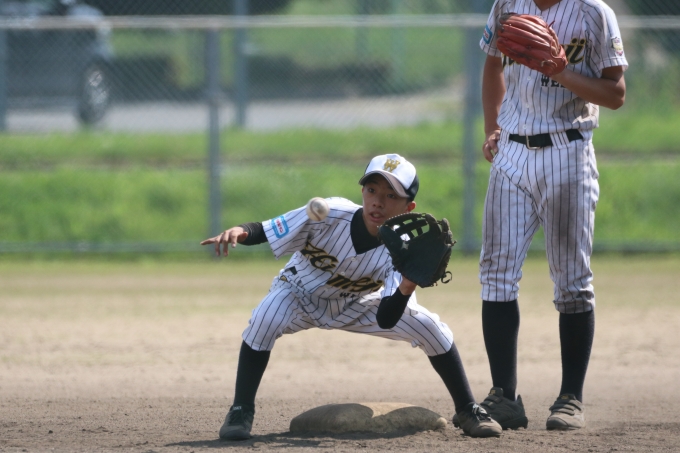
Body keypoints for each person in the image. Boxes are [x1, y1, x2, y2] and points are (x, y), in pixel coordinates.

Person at [200, 154, 502, 439]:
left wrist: (408, 285)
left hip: (359, 304)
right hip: (299, 293)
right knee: (265, 317)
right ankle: (241, 409)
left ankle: (467, 409)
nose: (378, 202)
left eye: (391, 195)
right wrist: (240, 231)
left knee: (431, 328)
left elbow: (386, 318)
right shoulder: (327, 212)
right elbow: (269, 229)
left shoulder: (403, 248)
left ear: (409, 207)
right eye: (372, 190)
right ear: (362, 192)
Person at [476, 0, 627, 431]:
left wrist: (560, 70)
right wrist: (492, 127)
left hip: (568, 149)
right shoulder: (507, 4)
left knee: (572, 281)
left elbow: (616, 94)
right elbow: (493, 64)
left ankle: (570, 398)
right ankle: (505, 396)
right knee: (496, 274)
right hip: (511, 152)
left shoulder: (593, 12)